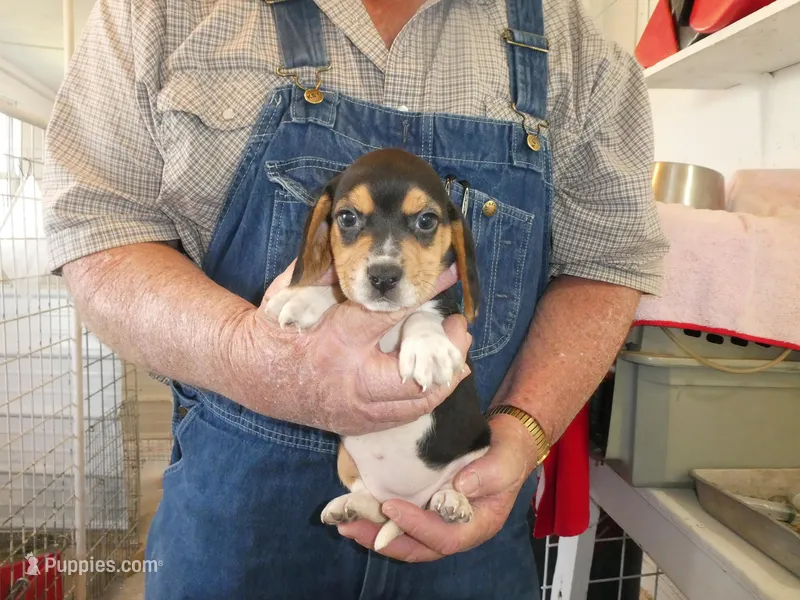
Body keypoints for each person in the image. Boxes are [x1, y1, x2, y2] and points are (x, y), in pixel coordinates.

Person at [41, 0, 669, 597]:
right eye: (350, 221)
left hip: (461, 500)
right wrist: (249, 355)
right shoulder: (160, 12)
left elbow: (608, 263)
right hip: (239, 522)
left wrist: (524, 431)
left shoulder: (577, 47)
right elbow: (98, 231)